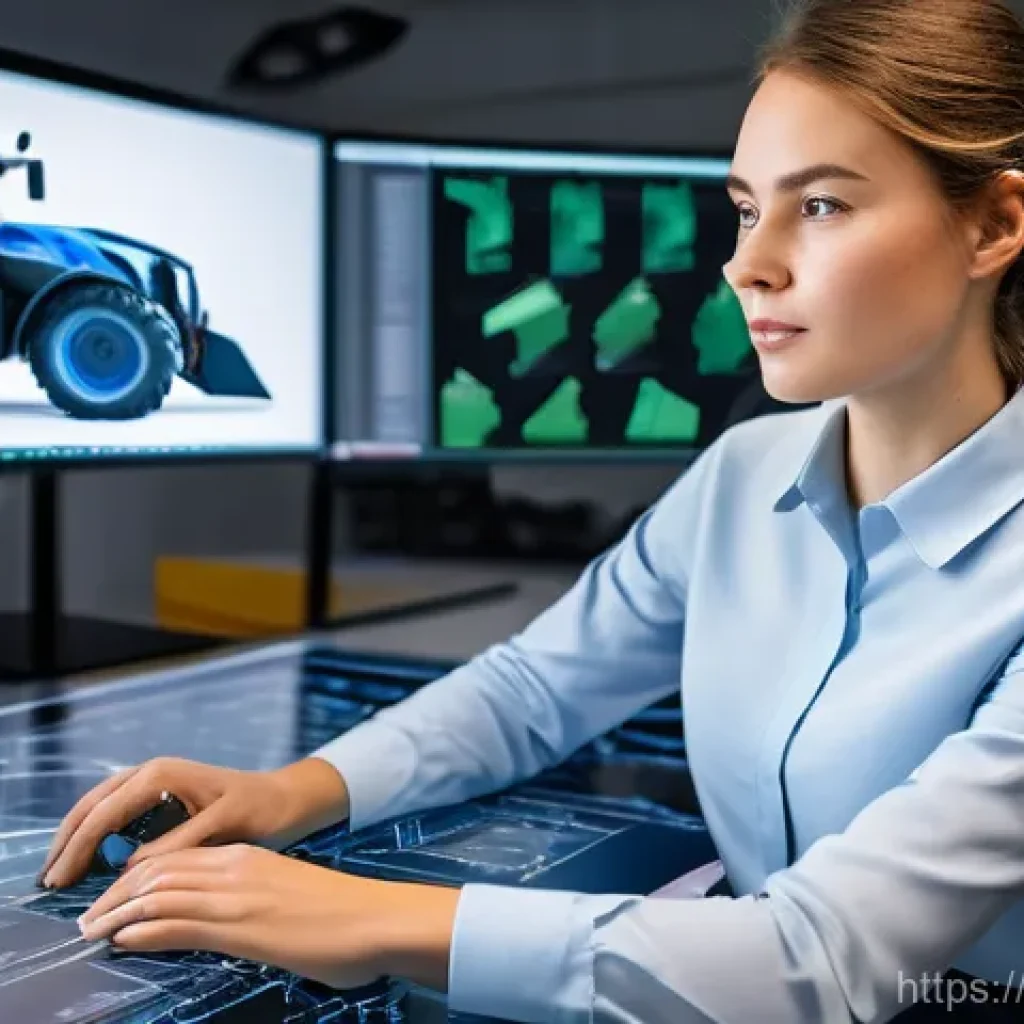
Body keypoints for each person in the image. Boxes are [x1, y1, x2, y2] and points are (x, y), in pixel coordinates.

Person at [37, 0, 1024, 1020]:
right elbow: (533, 690)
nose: (746, 263)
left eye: (819, 206)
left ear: (993, 224)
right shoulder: (745, 471)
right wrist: (296, 791)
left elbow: (822, 956)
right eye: (743, 208)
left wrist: (364, 917)